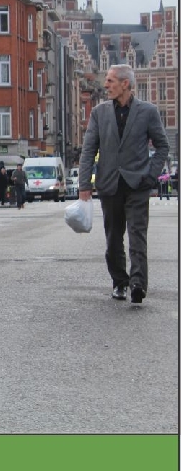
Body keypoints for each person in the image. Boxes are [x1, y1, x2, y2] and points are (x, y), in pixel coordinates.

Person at [79, 64, 169, 304]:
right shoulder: (99, 113)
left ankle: (138, 284)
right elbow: (88, 151)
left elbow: (163, 146)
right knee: (113, 239)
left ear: (125, 84)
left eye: (110, 81)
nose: (106, 85)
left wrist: (151, 175)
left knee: (137, 236)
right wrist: (84, 185)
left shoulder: (148, 112)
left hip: (137, 184)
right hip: (109, 185)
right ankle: (120, 282)